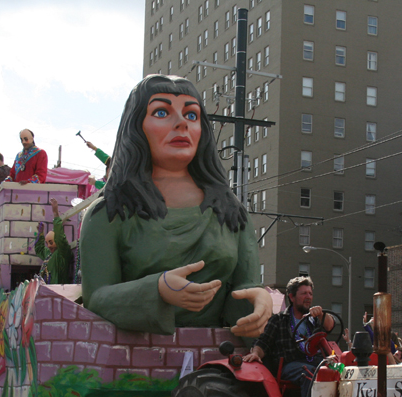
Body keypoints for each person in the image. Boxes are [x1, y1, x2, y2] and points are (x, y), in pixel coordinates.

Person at [79, 75, 271, 337]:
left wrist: (257, 303)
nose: (181, 123)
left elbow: (243, 289)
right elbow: (96, 299)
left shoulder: (231, 211)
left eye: (191, 115)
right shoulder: (108, 212)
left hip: (215, 365)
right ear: (137, 126)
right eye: (161, 112)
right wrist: (156, 289)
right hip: (130, 364)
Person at [242, 276, 336, 397]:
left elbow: (329, 325)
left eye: (310, 293)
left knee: (340, 372)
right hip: (290, 364)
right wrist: (255, 353)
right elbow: (263, 342)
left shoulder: (315, 319)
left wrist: (321, 314)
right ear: (291, 297)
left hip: (315, 362)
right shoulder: (279, 320)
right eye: (304, 293)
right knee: (309, 374)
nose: (308, 297)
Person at [34, 198, 73, 284]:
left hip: (58, 291)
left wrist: (55, 214)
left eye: (51, 242)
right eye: (47, 243)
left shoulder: (62, 253)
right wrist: (40, 234)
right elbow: (39, 249)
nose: (48, 246)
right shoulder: (49, 254)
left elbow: (60, 236)